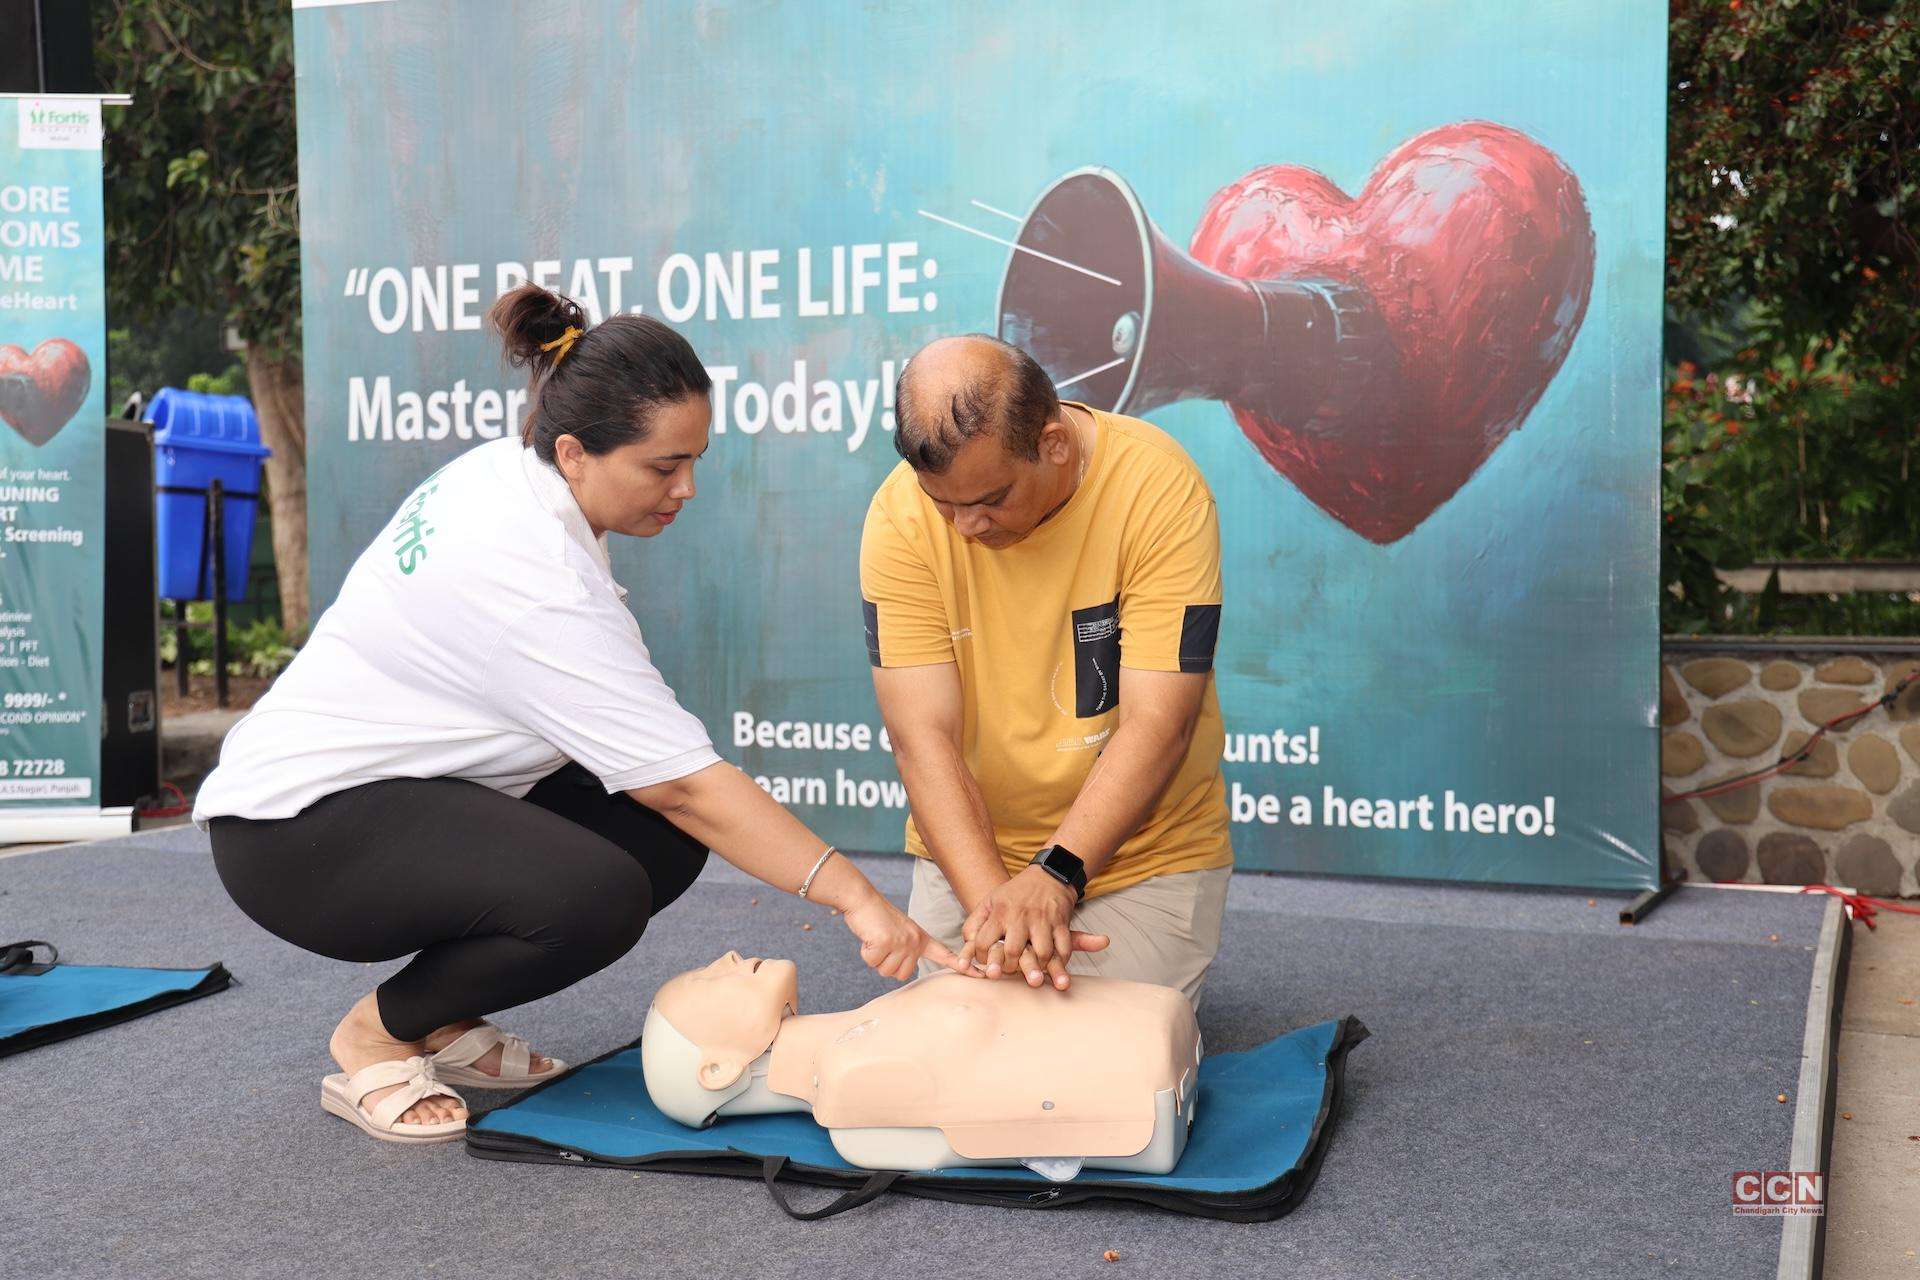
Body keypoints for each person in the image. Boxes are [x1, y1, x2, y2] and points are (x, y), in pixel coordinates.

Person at [194, 285, 965, 1145]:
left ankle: (444, 1022)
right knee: (597, 890)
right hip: (296, 838)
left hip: (396, 791)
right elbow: (687, 785)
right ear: (575, 451)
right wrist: (862, 900)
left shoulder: (515, 475)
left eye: (694, 460)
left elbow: (667, 790)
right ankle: (379, 1032)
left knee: (657, 842)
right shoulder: (529, 579)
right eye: (664, 467)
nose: (688, 488)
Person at [861, 334, 1233, 1007]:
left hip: (1141, 857)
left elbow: (1160, 724)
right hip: (972, 856)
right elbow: (923, 739)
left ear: (1054, 443)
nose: (967, 525)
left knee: (1083, 1067)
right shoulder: (899, 515)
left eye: (991, 499)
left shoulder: (1159, 487)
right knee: (961, 1045)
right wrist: (997, 910)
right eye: (946, 504)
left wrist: (1057, 875)